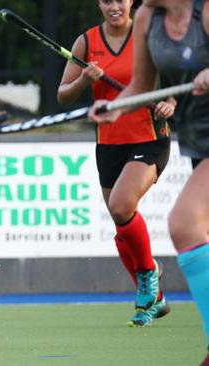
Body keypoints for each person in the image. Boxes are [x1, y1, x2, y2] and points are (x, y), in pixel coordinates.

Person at [89, 0, 209, 363]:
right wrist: (114, 108)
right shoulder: (146, 18)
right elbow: (140, 85)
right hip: (199, 143)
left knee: (185, 224)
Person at [57, 0, 176, 327]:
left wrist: (171, 100)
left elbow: (180, 75)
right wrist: (84, 79)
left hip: (149, 137)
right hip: (109, 142)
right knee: (122, 228)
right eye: (107, 0)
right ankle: (156, 298)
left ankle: (149, 273)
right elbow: (63, 94)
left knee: (122, 206)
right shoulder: (87, 41)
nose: (114, 6)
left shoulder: (151, 33)